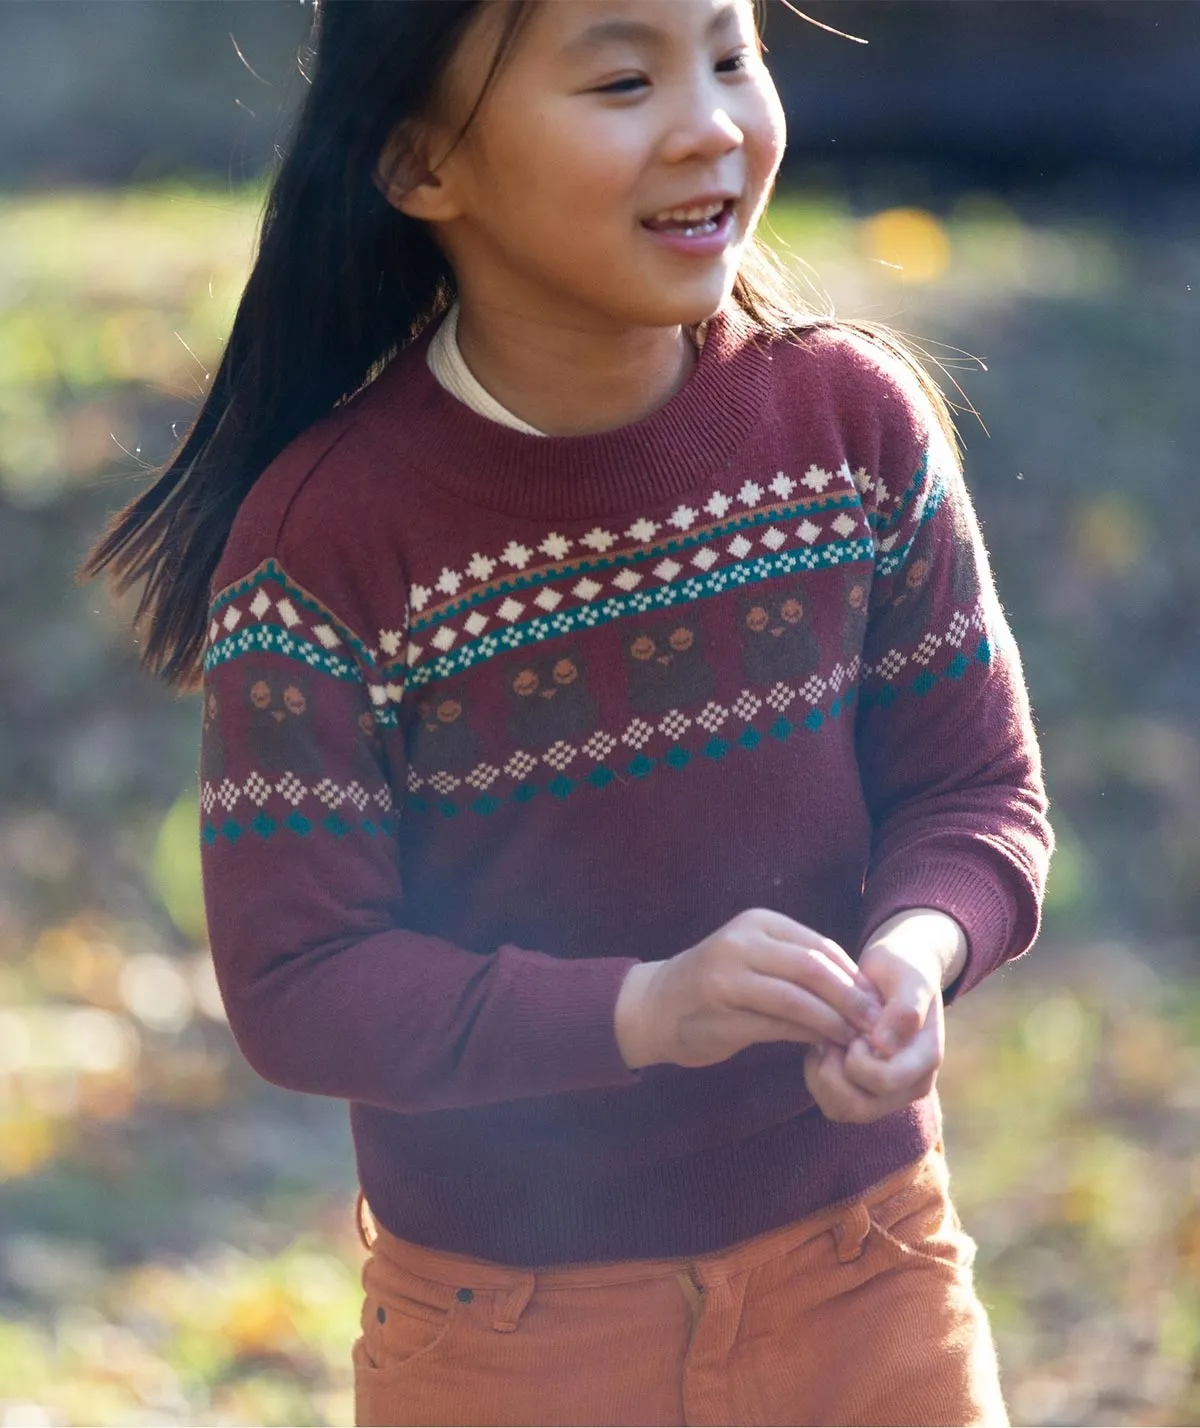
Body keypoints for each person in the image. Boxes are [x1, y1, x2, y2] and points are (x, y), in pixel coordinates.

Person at [80, 2, 1054, 1424]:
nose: (711, 121)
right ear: (422, 167)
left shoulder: (854, 429)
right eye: (621, 76)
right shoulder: (326, 545)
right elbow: (301, 979)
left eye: (733, 55)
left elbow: (981, 796)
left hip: (868, 1273)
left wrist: (916, 953)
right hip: (509, 1335)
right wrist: (641, 1011)